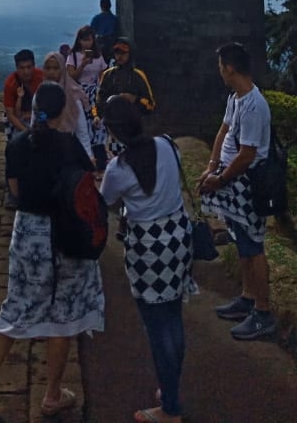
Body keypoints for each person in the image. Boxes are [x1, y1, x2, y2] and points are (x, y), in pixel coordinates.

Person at [0, 82, 104, 416]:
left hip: (28, 231)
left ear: (33, 109)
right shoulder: (69, 145)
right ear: (63, 112)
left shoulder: (17, 144)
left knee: (16, 301)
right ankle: (52, 394)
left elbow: (15, 190)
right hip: (64, 231)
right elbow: (85, 184)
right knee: (62, 314)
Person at [101, 95, 194, 423]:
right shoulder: (167, 145)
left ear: (113, 132)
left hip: (147, 249)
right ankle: (170, 389)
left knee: (157, 327)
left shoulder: (119, 168)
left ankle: (170, 409)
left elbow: (106, 202)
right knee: (173, 316)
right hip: (179, 240)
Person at [198, 42, 275, 341]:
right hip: (233, 182)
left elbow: (247, 154)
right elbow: (224, 130)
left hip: (247, 185)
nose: (220, 71)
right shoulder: (236, 98)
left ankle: (264, 312)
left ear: (230, 69)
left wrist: (221, 178)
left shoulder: (255, 105)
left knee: (253, 246)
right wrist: (212, 165)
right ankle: (247, 297)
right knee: (242, 242)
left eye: (221, 66)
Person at [66, 26, 108, 169]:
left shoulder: (98, 55)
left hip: (94, 92)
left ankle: (98, 154)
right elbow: (71, 77)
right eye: (83, 40)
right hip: (79, 92)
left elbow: (103, 73)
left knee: (97, 121)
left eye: (89, 40)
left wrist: (101, 87)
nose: (86, 43)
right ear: (79, 40)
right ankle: (85, 156)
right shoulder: (73, 56)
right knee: (83, 124)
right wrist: (82, 65)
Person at [42, 50, 93, 160]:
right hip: (44, 152)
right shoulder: (40, 95)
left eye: (56, 68)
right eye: (48, 68)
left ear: (63, 70)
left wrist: (89, 158)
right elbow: (35, 123)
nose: (51, 72)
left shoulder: (72, 97)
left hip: (68, 153)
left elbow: (82, 133)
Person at [3, 49, 44, 139]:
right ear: (17, 68)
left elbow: (47, 105)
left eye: (29, 67)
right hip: (18, 117)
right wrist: (27, 132)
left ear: (34, 66)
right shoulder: (10, 84)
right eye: (22, 68)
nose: (26, 72)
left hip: (37, 115)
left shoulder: (41, 77)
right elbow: (10, 114)